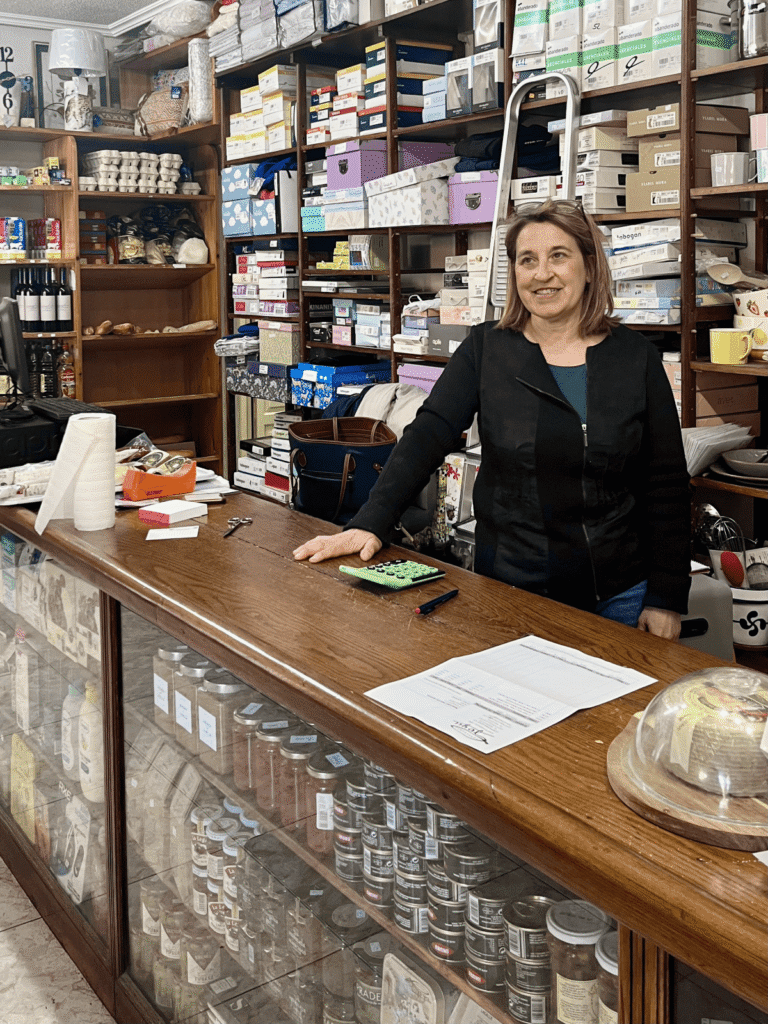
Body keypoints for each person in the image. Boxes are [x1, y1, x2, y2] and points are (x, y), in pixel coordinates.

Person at [294, 199, 690, 639]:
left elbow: (666, 481)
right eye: (527, 260)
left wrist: (666, 596)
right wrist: (371, 521)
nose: (542, 274)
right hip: (514, 590)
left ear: (590, 267)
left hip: (619, 594)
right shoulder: (486, 350)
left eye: (559, 256)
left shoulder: (635, 358)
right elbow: (427, 435)